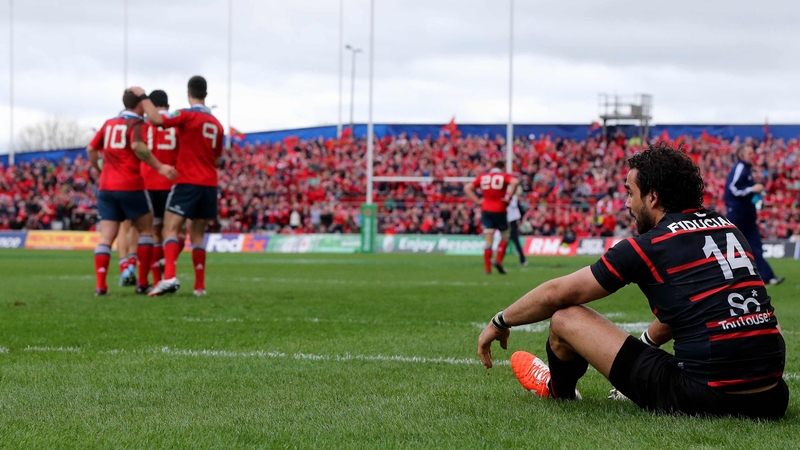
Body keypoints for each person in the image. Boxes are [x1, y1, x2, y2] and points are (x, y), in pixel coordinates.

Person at [477, 144, 788, 420]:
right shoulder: (729, 229)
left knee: (564, 318)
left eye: (630, 192)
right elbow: (686, 309)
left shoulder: (650, 245)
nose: (626, 203)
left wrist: (500, 320)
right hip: (772, 396)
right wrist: (645, 348)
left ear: (652, 197)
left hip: (702, 395)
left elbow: (559, 293)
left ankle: (558, 391)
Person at [132, 76, 224, 297]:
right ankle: (199, 287)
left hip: (187, 181)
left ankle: (170, 276)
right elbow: (218, 160)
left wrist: (144, 96)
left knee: (169, 229)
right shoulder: (218, 125)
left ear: (188, 93)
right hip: (210, 184)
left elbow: (155, 120)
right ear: (206, 94)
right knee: (198, 235)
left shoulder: (186, 115)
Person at [86, 90, 178, 296]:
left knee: (106, 237)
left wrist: (99, 169)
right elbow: (138, 146)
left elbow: (91, 149)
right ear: (140, 105)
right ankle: (142, 282)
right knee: (146, 230)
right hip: (131, 185)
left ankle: (101, 286)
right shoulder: (137, 125)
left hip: (106, 187)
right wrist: (160, 167)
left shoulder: (109, 123)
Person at [724, 145, 784, 286]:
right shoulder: (740, 167)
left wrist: (755, 191)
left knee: (755, 247)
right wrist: (752, 188)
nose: (753, 155)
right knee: (731, 247)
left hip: (748, 216)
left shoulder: (747, 170)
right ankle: (724, 278)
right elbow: (733, 188)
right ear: (741, 155)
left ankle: (767, 277)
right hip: (738, 214)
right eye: (750, 153)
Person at [140, 89, 181, 285]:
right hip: (173, 182)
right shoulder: (177, 123)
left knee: (154, 232)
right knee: (177, 232)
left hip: (148, 182)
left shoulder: (145, 124)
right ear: (168, 106)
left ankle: (156, 279)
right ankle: (168, 263)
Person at [464, 161, 519, 274]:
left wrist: (478, 201)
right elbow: (515, 181)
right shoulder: (503, 176)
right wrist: (508, 197)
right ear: (502, 168)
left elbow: (467, 188)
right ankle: (498, 260)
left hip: (486, 210)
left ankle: (488, 269)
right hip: (500, 209)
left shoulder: (483, 177)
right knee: (505, 236)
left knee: (488, 241)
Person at [506, 186, 527, 266]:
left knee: (507, 240)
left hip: (509, 221)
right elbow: (521, 211)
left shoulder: (510, 198)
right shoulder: (514, 198)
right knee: (514, 241)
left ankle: (499, 260)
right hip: (513, 221)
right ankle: (522, 259)